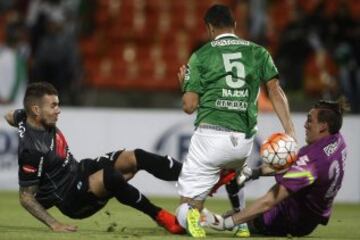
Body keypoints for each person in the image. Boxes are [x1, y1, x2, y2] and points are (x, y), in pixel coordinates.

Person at [176, 4, 295, 238]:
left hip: (210, 137)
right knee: (235, 170)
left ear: (210, 28)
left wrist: (184, 87)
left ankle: (192, 214)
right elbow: (275, 89)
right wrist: (289, 131)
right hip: (243, 142)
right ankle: (240, 221)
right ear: (235, 25)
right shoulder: (258, 52)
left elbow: (189, 107)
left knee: (185, 203)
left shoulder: (201, 56)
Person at [4, 82, 184, 234]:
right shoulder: (32, 151)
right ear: (36, 110)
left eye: (58, 104)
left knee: (136, 157)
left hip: (81, 169)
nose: (58, 111)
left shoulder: (25, 117)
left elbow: (9, 115)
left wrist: (21, 120)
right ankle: (160, 216)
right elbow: (26, 198)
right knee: (111, 176)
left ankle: (192, 175)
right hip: (71, 197)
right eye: (53, 106)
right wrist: (54, 224)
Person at [204, 98, 349, 237]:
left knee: (240, 218)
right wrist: (255, 172)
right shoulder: (338, 141)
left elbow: (270, 200)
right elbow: (293, 166)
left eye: (310, 120)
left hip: (291, 219)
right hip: (311, 214)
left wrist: (227, 223)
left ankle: (226, 220)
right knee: (246, 211)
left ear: (324, 126)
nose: (305, 125)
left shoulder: (313, 161)